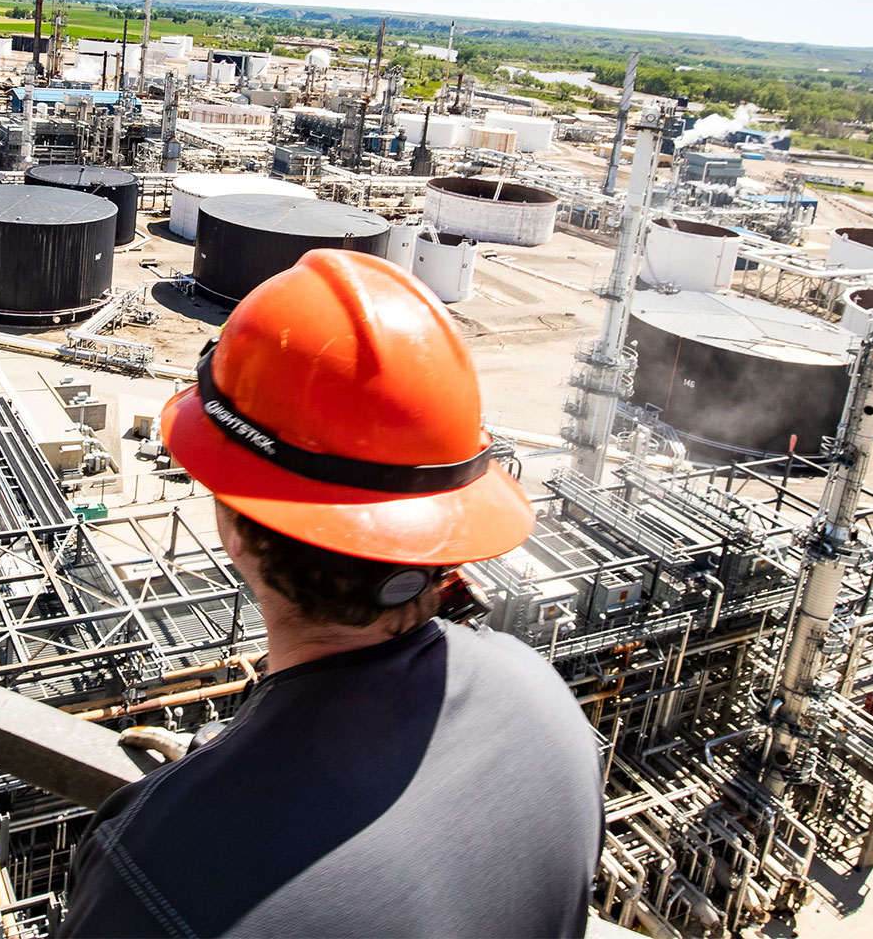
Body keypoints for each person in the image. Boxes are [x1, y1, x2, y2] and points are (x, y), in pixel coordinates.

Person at [58, 249, 602, 938]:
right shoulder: (546, 707)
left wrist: (221, 780)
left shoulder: (155, 879)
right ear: (442, 531)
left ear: (234, 527)